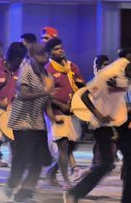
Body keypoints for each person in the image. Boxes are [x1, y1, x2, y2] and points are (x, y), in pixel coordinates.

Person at [63, 55, 131, 203]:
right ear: (129, 70)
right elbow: (84, 96)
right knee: (106, 164)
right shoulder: (107, 75)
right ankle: (74, 194)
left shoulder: (127, 64)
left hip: (121, 119)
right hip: (102, 124)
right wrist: (99, 115)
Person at [4, 43, 62, 202]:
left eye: (44, 53)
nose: (43, 56)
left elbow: (47, 102)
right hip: (21, 120)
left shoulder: (48, 76)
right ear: (31, 56)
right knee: (23, 157)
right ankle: (12, 182)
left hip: (37, 122)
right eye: (39, 54)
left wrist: (52, 118)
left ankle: (24, 193)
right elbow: (23, 94)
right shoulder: (27, 70)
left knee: (39, 159)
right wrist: (45, 92)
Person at [45, 38, 85, 190]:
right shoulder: (47, 70)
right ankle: (66, 180)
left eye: (61, 48)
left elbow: (81, 87)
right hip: (56, 113)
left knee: (71, 146)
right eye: (56, 49)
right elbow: (45, 96)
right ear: (49, 52)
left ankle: (51, 171)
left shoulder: (72, 67)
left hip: (73, 113)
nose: (60, 50)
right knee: (63, 146)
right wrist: (61, 104)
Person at [0, 42, 27, 169]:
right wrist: (0, 103)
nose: (22, 63)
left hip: (9, 113)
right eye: (22, 59)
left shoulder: (19, 71)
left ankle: (15, 174)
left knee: (15, 140)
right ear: (17, 58)